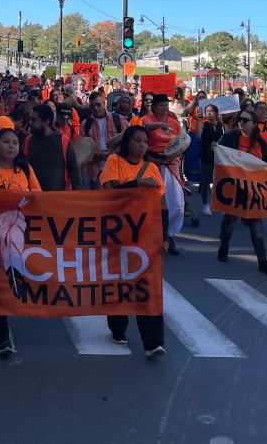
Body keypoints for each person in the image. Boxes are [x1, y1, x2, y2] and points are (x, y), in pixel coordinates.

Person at [101, 125, 168, 358]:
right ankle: (117, 327)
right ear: (127, 142)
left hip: (145, 237)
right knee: (120, 283)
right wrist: (136, 185)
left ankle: (153, 342)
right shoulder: (114, 161)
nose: (142, 145)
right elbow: (110, 192)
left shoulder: (151, 168)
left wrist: (165, 236)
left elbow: (161, 204)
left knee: (146, 287)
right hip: (118, 234)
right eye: (138, 141)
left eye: (145, 142)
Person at [0, 128, 41, 356]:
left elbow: (37, 194)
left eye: (15, 142)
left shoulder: (25, 169)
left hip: (18, 232)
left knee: (12, 275)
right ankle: (3, 333)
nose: (11, 146)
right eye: (6, 142)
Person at [217, 109, 267, 274]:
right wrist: (214, 149)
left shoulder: (261, 143)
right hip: (233, 189)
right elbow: (218, 156)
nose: (241, 122)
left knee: (256, 228)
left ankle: (263, 261)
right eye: (240, 119)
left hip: (252, 190)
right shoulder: (229, 137)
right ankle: (224, 246)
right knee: (229, 224)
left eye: (246, 120)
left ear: (254, 124)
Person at [137, 94, 185, 254]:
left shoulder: (173, 123)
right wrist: (158, 125)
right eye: (161, 105)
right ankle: (154, 235)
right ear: (153, 107)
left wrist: (177, 154)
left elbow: (181, 140)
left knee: (176, 203)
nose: (164, 108)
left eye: (166, 105)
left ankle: (169, 234)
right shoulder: (146, 119)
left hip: (171, 165)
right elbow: (144, 130)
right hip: (153, 164)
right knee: (155, 202)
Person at [25, 105, 83, 192]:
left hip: (59, 198)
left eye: (34, 120)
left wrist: (77, 196)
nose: (29, 122)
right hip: (34, 197)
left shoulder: (63, 141)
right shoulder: (28, 141)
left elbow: (74, 171)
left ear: (46, 122)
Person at [82, 93, 127, 189]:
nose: (96, 108)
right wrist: (95, 156)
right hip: (95, 173)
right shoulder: (85, 124)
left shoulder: (118, 119)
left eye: (98, 105)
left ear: (104, 103)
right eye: (92, 106)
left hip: (117, 171)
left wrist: (113, 154)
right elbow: (83, 150)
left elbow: (129, 139)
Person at [195, 103, 224, 217]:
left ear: (216, 113)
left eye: (211, 111)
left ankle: (219, 204)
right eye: (207, 111)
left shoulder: (221, 126)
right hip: (206, 155)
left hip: (219, 157)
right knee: (206, 181)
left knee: (219, 181)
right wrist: (197, 120)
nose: (209, 113)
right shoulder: (203, 124)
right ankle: (205, 205)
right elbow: (198, 135)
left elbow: (225, 138)